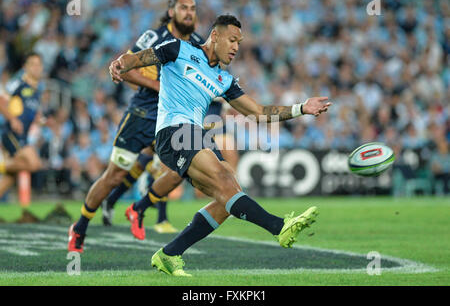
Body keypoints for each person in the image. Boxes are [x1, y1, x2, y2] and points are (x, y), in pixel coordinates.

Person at [109, 14, 331, 276]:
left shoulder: (224, 80)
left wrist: (301, 108)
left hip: (197, 134)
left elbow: (259, 112)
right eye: (232, 40)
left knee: (228, 196)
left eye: (240, 42)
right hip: (173, 131)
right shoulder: (178, 49)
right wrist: (121, 63)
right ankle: (280, 226)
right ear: (215, 35)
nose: (236, 47)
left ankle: (169, 254)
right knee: (226, 182)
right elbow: (138, 58)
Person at [67, 0, 203, 253]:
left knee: (181, 167)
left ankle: (138, 209)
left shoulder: (197, 43)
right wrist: (158, 85)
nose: (189, 12)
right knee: (114, 174)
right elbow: (127, 67)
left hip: (173, 117)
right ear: (171, 11)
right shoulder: (154, 36)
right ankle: (80, 226)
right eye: (183, 7)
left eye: (193, 9)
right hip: (143, 113)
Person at [0, 53, 44, 198]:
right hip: (12, 132)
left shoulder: (37, 89)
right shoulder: (18, 83)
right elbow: (1, 101)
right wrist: (13, 119)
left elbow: (31, 111)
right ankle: (2, 165)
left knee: (10, 177)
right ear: (25, 67)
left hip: (23, 134)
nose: (37, 68)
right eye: (33, 64)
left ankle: (6, 167)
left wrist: (40, 120)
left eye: (39, 64)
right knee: (34, 163)